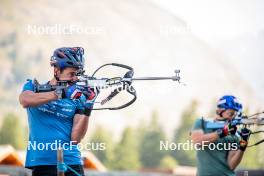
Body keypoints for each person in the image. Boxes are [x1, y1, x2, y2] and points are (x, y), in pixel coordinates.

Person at [19, 47, 95, 176]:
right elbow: (25, 100)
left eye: (78, 74)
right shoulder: (32, 86)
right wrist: (61, 93)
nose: (75, 79)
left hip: (71, 162)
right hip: (42, 163)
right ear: (57, 70)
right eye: (71, 74)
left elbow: (75, 139)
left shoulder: (78, 97)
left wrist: (88, 106)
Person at [191, 95, 251, 176]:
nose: (233, 116)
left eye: (235, 113)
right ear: (220, 111)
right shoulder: (202, 123)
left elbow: (231, 165)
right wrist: (223, 132)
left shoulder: (234, 134)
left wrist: (243, 144)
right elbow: (197, 142)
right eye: (231, 113)